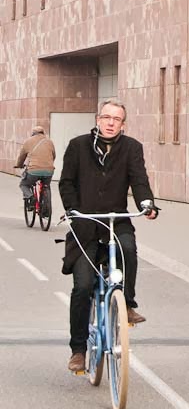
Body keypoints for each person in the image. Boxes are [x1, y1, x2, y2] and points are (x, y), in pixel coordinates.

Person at [59, 98, 158, 373]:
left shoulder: (131, 148)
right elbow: (66, 182)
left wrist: (147, 204)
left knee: (128, 248)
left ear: (123, 124)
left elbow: (139, 180)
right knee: (82, 286)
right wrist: (73, 210)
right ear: (98, 120)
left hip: (116, 220)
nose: (111, 123)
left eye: (116, 119)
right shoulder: (78, 145)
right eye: (106, 118)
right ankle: (78, 350)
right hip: (85, 225)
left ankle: (127, 303)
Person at [16, 125, 56, 208]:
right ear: (43, 133)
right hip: (49, 171)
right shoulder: (49, 142)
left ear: (33, 133)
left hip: (33, 170)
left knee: (24, 185)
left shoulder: (28, 141)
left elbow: (22, 156)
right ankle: (46, 207)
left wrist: (19, 165)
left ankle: (31, 197)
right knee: (46, 185)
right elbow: (53, 156)